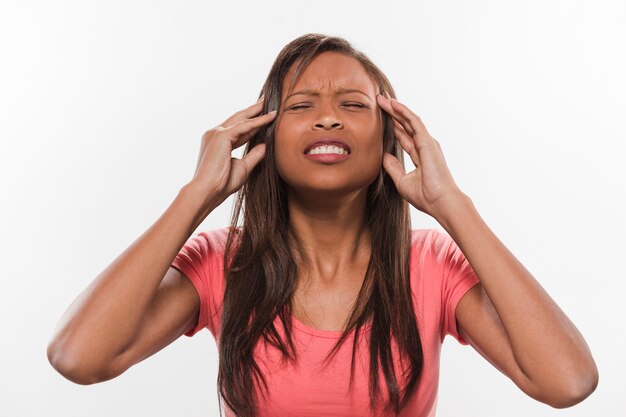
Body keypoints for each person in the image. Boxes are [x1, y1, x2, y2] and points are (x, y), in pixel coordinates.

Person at [47, 33, 598, 417]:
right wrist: (196, 197)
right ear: (263, 139)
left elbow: (567, 383)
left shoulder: (432, 264)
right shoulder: (223, 262)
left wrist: (452, 204)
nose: (328, 116)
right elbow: (79, 358)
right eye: (301, 104)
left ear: (390, 139)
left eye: (354, 104)